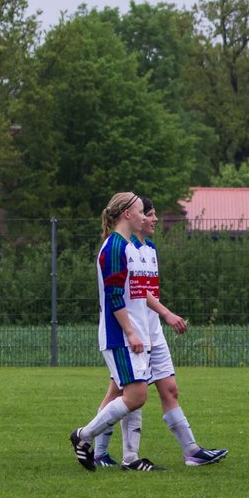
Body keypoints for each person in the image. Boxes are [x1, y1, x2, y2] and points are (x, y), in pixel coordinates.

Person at [92, 197, 228, 469]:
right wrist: (154, 320)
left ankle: (191, 451)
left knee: (168, 389)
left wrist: (161, 316)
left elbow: (146, 293)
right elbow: (126, 295)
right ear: (132, 216)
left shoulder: (149, 250)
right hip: (132, 333)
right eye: (148, 214)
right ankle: (97, 448)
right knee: (124, 394)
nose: (152, 219)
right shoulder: (120, 248)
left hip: (149, 331)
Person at [69, 193, 152, 470]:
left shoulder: (126, 246)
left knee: (132, 396)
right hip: (120, 337)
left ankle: (130, 458)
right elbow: (114, 295)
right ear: (127, 214)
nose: (145, 216)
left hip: (133, 335)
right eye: (141, 211)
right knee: (136, 395)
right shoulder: (115, 247)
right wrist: (130, 332)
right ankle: (83, 436)